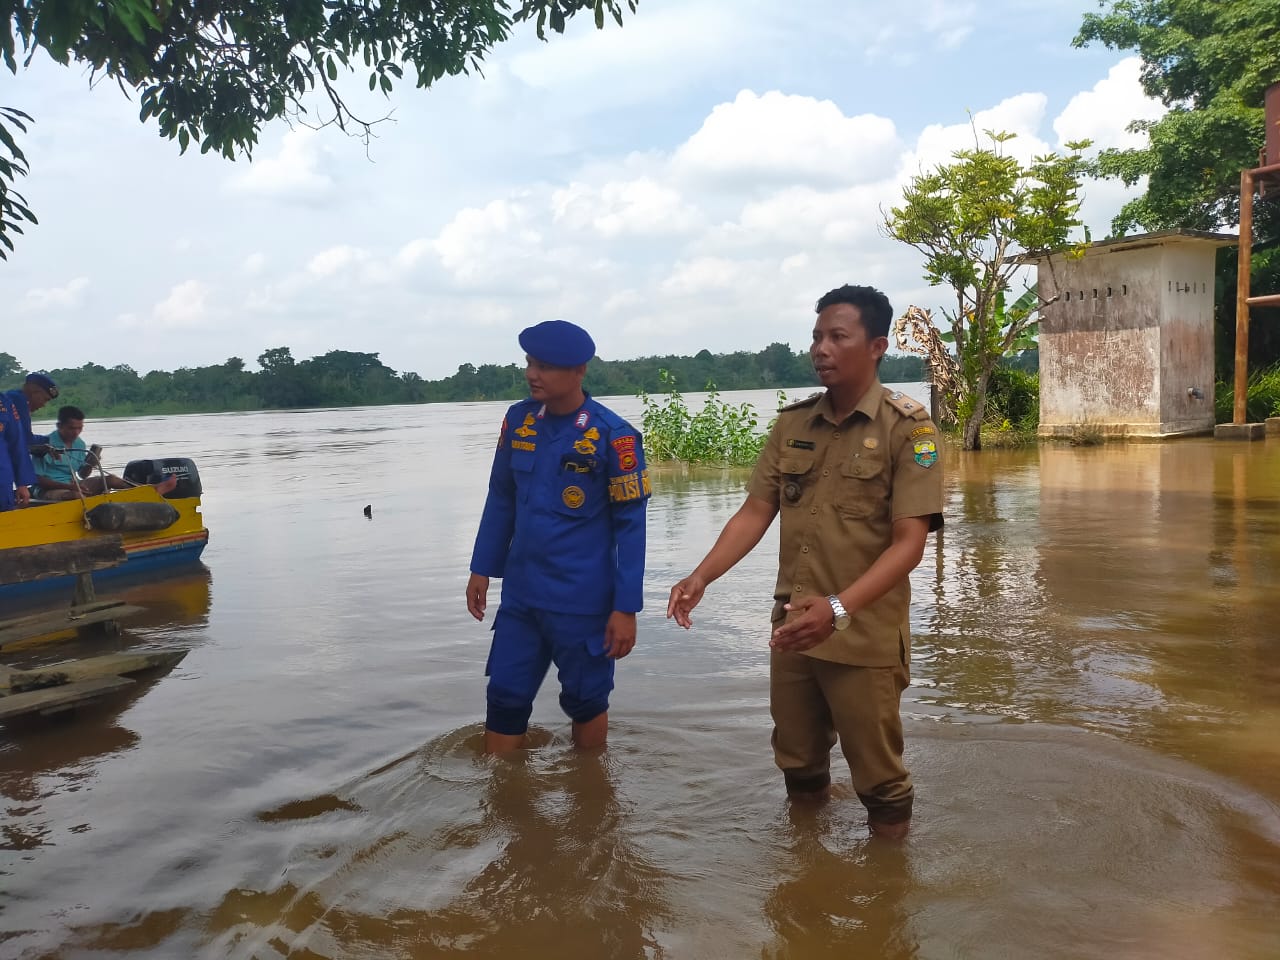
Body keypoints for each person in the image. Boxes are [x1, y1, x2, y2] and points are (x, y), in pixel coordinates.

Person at [667, 284, 944, 840]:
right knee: (798, 764)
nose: (820, 348)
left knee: (881, 785)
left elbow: (909, 544)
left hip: (862, 633)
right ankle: (805, 873)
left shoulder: (909, 430)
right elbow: (754, 513)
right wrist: (701, 575)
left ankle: (889, 898)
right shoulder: (792, 425)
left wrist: (839, 608)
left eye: (837, 336)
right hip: (794, 626)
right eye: (816, 336)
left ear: (876, 346)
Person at [467, 319, 651, 754]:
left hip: (582, 601)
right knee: (504, 696)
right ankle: (502, 807)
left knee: (586, 701)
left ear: (579, 371)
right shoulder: (519, 421)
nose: (532, 373)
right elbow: (501, 497)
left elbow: (632, 526)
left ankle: (590, 796)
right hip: (521, 597)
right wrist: (481, 569)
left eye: (545, 366)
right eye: (530, 362)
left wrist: (626, 608)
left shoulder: (614, 436)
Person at [29, 405, 178, 499]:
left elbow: (82, 474)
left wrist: (91, 464)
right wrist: (70, 487)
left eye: (79, 428)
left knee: (111, 479)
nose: (76, 432)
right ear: (59, 425)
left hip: (73, 485)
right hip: (46, 490)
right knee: (76, 495)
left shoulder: (79, 444)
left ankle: (150, 490)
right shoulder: (44, 444)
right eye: (71, 428)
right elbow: (38, 480)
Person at [1, 371, 56, 510]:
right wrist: (52, 440)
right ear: (33, 391)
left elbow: (17, 441)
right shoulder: (16, 401)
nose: (43, 405)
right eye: (45, 399)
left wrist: (22, 482)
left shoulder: (5, 402)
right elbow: (24, 440)